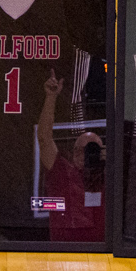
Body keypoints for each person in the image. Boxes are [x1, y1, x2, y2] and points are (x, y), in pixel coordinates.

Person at [37, 74, 105, 243]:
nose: (88, 154)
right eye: (84, 149)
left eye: (94, 149)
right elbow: (44, 138)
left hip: (102, 257)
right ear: (75, 153)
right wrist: (51, 97)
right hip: (63, 253)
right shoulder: (62, 172)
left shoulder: (110, 178)